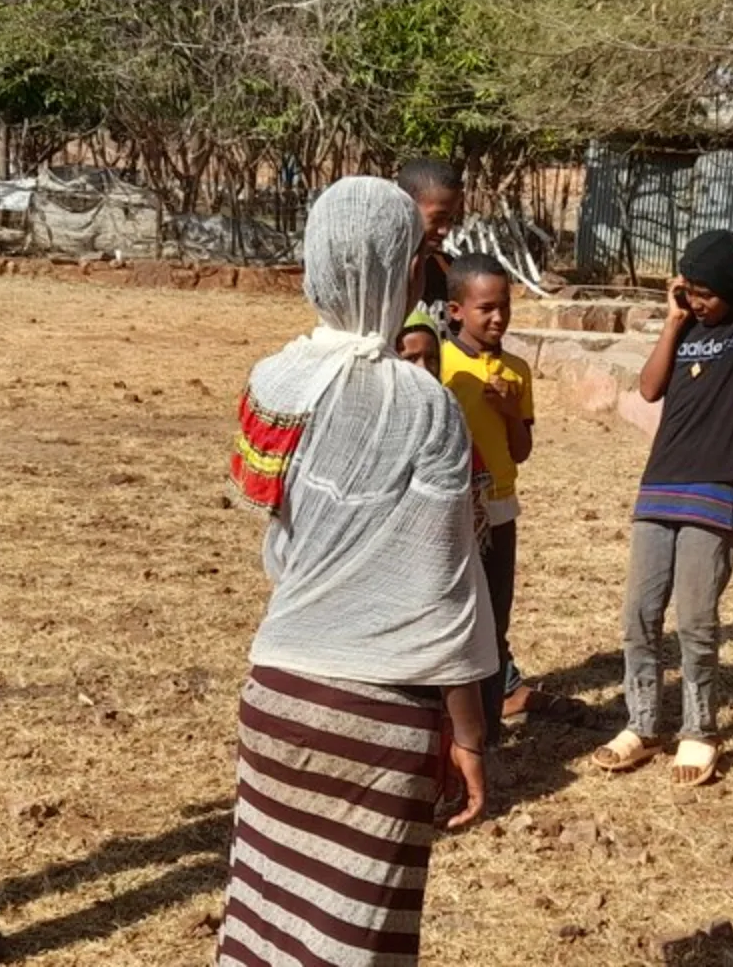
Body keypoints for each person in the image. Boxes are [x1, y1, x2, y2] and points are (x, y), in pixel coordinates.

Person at [219, 176, 498, 967]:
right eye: (420, 255)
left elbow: (278, 530)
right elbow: (444, 584)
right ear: (401, 270)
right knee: (356, 945)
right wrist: (471, 733)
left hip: (276, 698)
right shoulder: (424, 406)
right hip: (381, 721)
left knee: (266, 928)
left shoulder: (274, 384)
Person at [592, 229, 733, 788]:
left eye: (707, 292)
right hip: (659, 489)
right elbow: (650, 389)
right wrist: (675, 320)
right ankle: (642, 724)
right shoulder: (685, 329)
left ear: (731, 289)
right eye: (691, 290)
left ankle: (700, 730)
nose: (698, 301)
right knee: (639, 615)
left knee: (697, 622)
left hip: (714, 493)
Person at [437, 254, 541, 738]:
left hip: (499, 508)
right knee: (449, 613)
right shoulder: (439, 363)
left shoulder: (516, 371)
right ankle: (447, 725)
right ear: (456, 310)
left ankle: (489, 729)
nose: (498, 317)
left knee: (494, 617)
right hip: (450, 508)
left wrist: (506, 410)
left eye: (505, 306)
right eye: (485, 309)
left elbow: (521, 451)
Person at [397, 158, 465, 335]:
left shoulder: (450, 273)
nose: (445, 230)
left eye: (451, 219)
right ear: (405, 209)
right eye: (437, 219)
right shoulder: (378, 277)